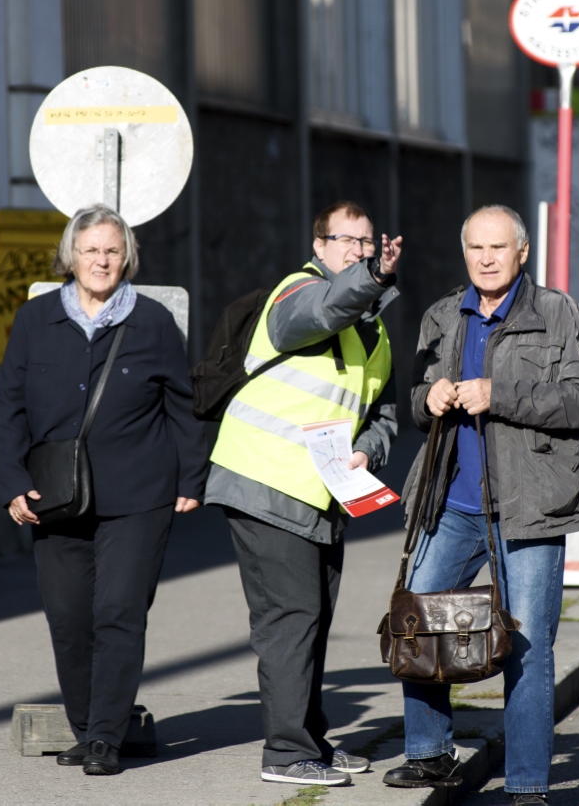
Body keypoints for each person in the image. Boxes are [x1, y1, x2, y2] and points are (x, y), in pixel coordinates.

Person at [382, 205, 579, 805]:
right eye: (475, 249)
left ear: (521, 253)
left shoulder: (559, 314)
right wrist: (432, 396)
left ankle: (528, 786)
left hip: (530, 508)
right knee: (420, 624)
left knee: (527, 645)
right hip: (450, 502)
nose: (485, 259)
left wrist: (497, 394)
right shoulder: (443, 315)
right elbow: (415, 395)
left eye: (497, 248)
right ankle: (430, 756)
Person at [0, 203, 209, 776]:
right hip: (53, 496)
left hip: (139, 495)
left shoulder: (153, 322)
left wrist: (192, 476)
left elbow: (181, 405)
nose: (101, 260)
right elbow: (8, 409)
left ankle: (106, 739)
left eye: (112, 251)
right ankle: (86, 729)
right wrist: (12, 481)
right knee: (67, 617)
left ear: (127, 257)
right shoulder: (36, 319)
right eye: (91, 250)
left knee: (119, 611)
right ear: (71, 256)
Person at [205, 201, 402, 787]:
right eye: (346, 240)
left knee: (312, 618)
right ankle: (286, 753)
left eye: (367, 243)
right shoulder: (297, 294)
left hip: (323, 491)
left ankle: (310, 737)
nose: (358, 251)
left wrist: (369, 446)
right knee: (291, 617)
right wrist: (371, 280)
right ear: (319, 246)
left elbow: (384, 412)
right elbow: (322, 310)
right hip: (265, 479)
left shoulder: (375, 327)